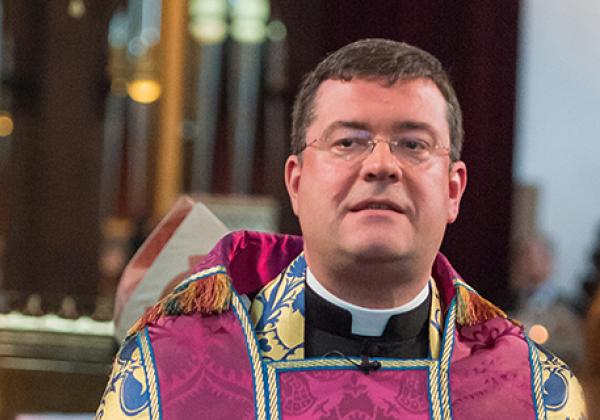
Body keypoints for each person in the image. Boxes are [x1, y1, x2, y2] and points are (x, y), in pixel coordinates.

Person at [96, 39, 586, 419]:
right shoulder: (167, 373)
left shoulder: (532, 393)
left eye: (413, 144)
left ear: (454, 190)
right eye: (348, 142)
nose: (381, 166)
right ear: (297, 181)